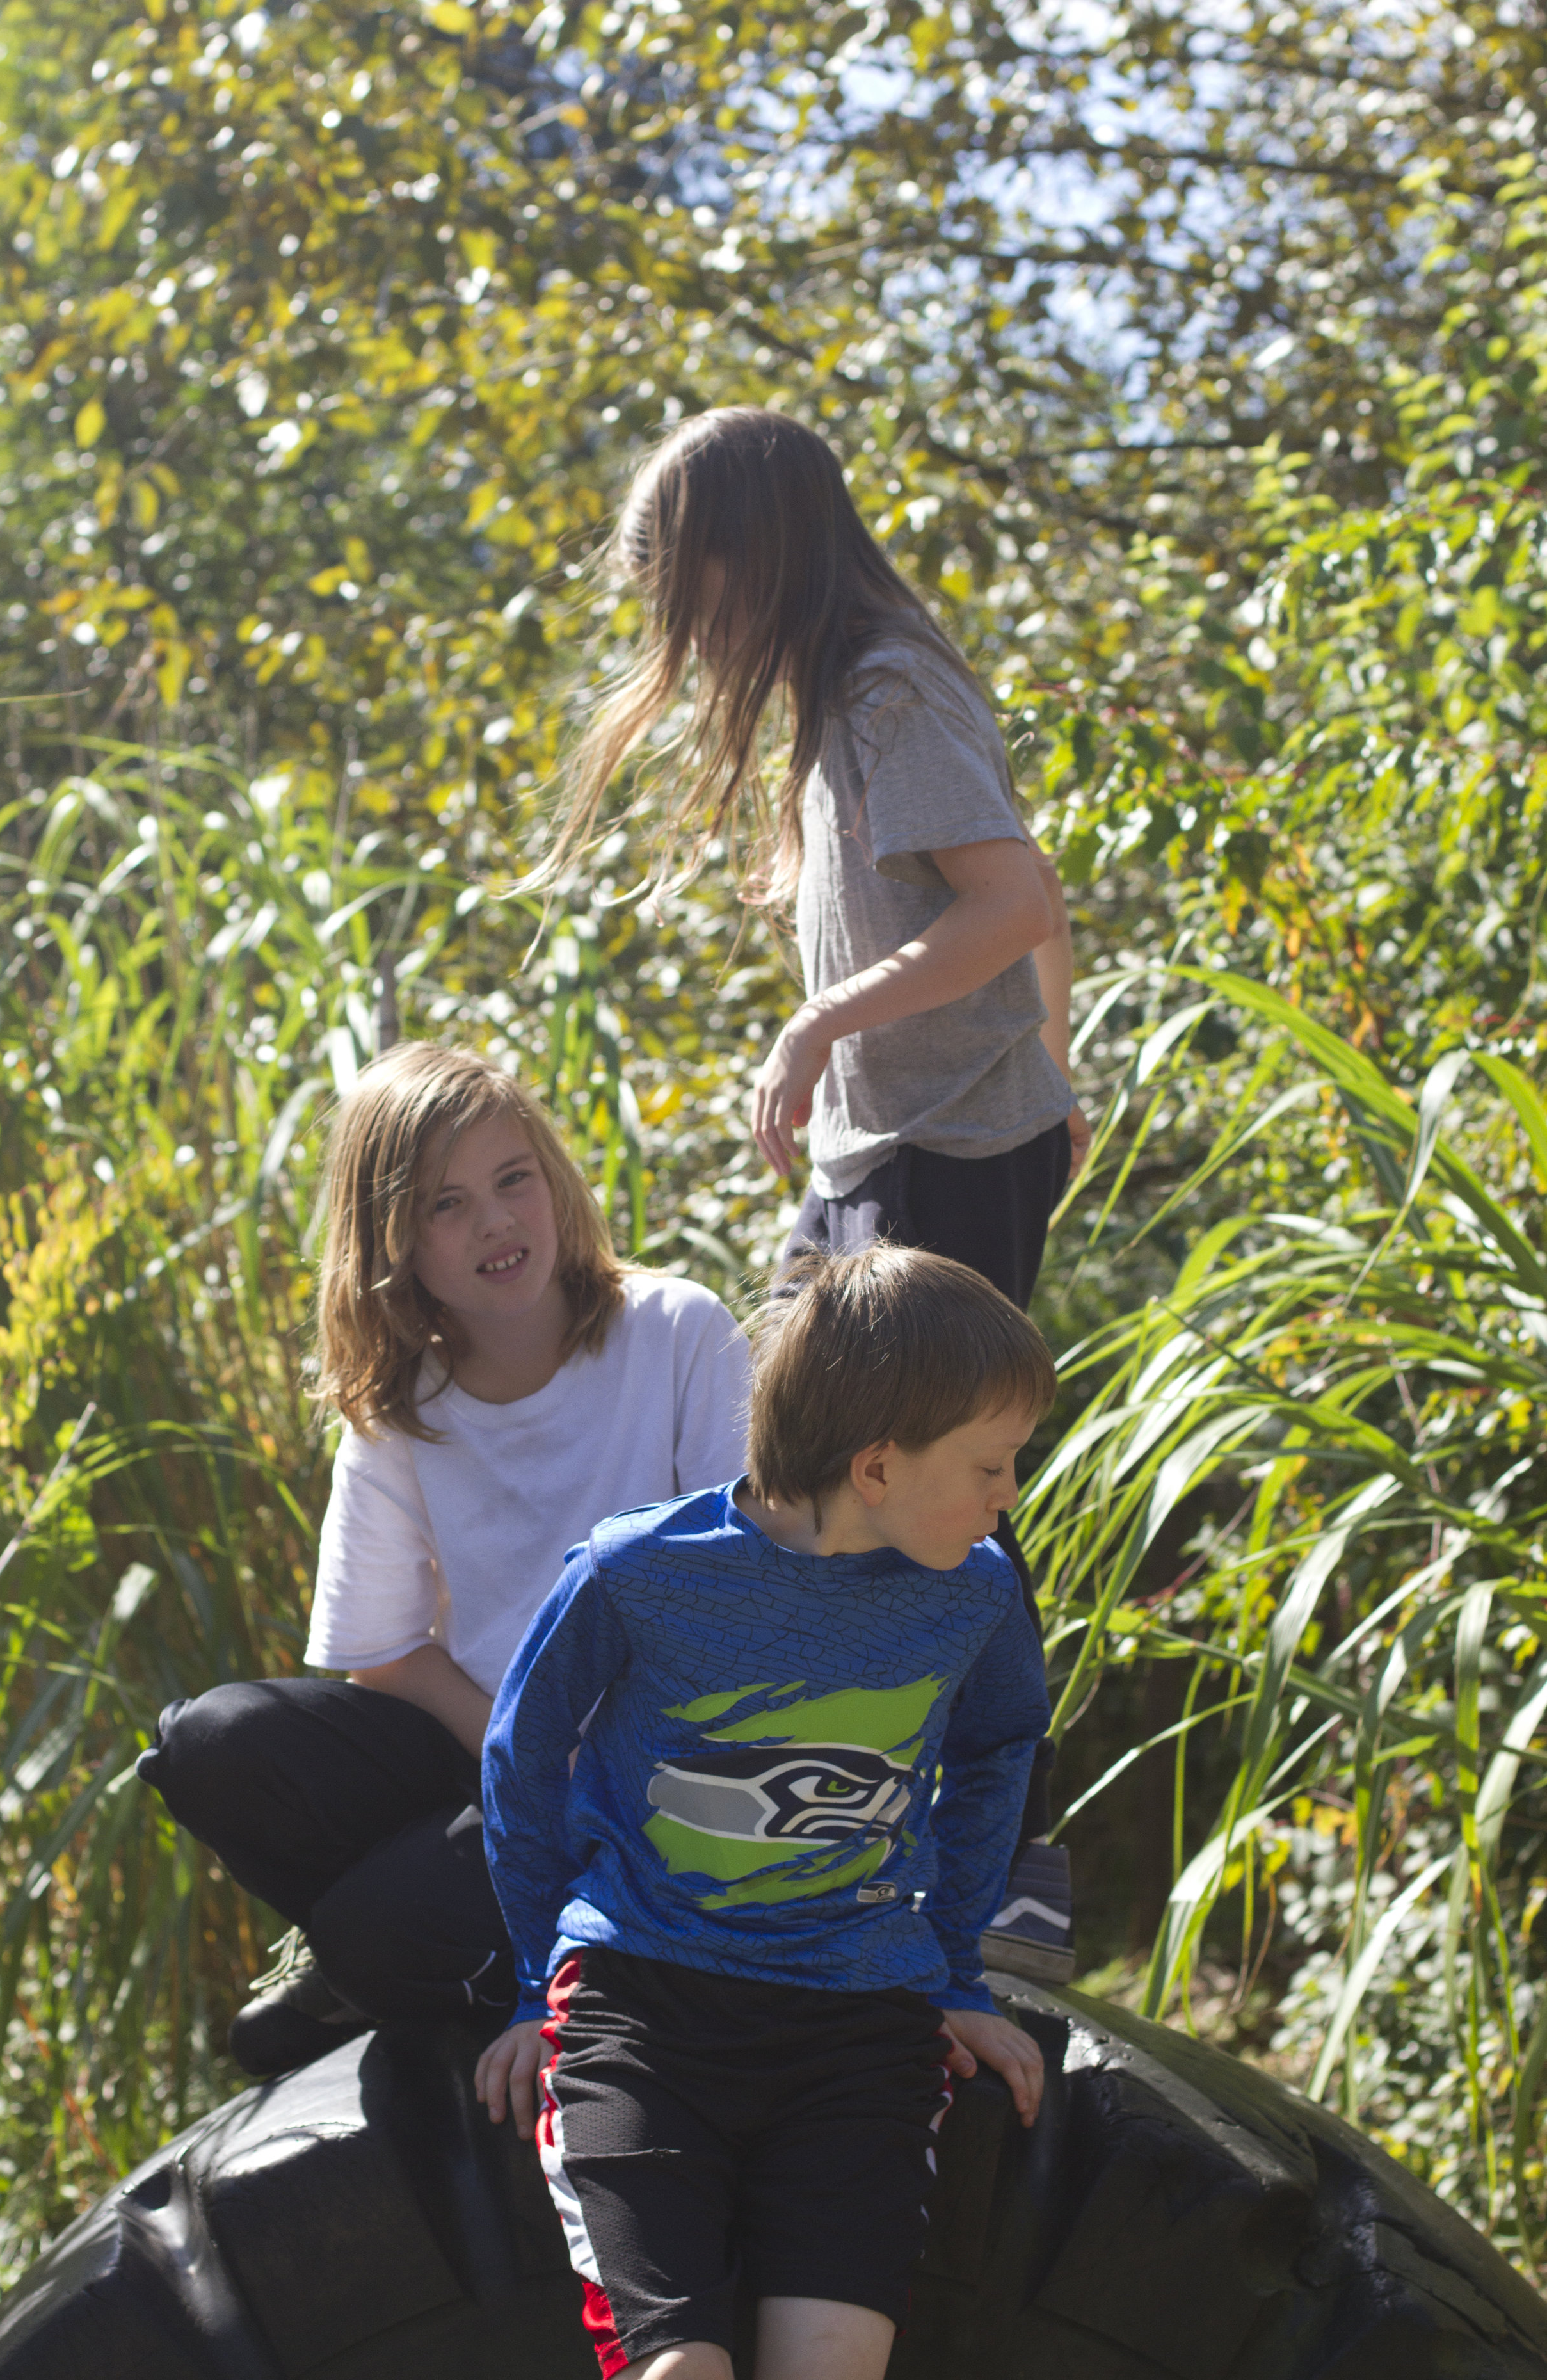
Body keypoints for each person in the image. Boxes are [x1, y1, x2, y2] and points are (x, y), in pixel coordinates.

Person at [540, 402, 1086, 1975]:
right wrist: (1050, 1063)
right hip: (892, 1148)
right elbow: (1024, 894)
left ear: (749, 552)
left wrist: (821, 1024)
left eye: (684, 582)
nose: (680, 624)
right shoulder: (848, 698)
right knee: (786, 1452)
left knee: (936, 1490)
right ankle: (804, 1807)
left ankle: (1001, 1871)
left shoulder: (889, 687)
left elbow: (1011, 892)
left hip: (941, 1159)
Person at [476, 1244, 1053, 2380]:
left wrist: (953, 1972)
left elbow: (999, 1749)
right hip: (645, 2009)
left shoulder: (974, 1593)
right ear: (879, 1465)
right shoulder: (640, 1570)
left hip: (857, 2024)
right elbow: (522, 1750)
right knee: (682, 2370)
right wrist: (537, 1975)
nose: (1008, 1494)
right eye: (991, 1463)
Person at [137, 1041, 750, 2078]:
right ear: (393, 1242)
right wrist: (525, 1750)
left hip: (663, 1775)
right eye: (447, 1204)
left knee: (378, 1933)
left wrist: (590, 1764)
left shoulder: (676, 1331)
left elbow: (745, 1592)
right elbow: (380, 1653)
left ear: (553, 1179)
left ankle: (386, 1957)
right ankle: (387, 1947)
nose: (497, 1222)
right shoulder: (399, 1410)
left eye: (514, 1179)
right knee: (210, 1740)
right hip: (500, 1746)